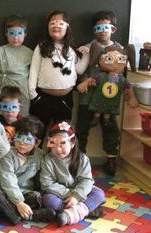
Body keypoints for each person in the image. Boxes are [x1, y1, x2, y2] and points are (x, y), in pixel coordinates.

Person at [76, 11, 129, 175]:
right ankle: (79, 161)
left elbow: (121, 75)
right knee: (82, 128)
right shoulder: (89, 46)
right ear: (94, 30)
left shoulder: (120, 50)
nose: (102, 30)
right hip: (88, 96)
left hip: (108, 98)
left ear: (113, 29)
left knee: (110, 128)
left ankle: (111, 159)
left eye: (106, 27)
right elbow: (79, 70)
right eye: (98, 27)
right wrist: (82, 54)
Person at [28, 10, 89, 130]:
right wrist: (33, 96)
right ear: (47, 28)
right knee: (37, 132)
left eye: (60, 23)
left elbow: (80, 70)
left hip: (65, 100)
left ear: (68, 28)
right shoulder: (41, 47)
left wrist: (87, 54)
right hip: (42, 97)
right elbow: (33, 71)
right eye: (52, 23)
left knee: (61, 132)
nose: (56, 26)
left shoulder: (71, 49)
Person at [0, 117, 56, 225]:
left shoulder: (40, 155)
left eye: (27, 140)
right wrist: (19, 203)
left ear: (37, 142)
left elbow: (49, 174)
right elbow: (8, 180)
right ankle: (29, 216)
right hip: (4, 191)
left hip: (24, 193)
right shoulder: (7, 154)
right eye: (19, 138)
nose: (21, 143)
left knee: (36, 196)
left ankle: (6, 213)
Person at [40, 121, 105, 226]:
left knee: (99, 194)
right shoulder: (47, 159)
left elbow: (86, 180)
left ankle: (68, 215)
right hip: (60, 194)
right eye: (54, 144)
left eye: (62, 144)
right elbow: (47, 183)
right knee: (49, 200)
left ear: (72, 143)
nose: (58, 149)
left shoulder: (82, 159)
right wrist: (70, 195)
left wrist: (76, 196)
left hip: (79, 192)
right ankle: (85, 209)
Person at [0, 15, 33, 116]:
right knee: (2, 117)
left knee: (21, 118)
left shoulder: (30, 53)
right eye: (12, 33)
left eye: (19, 33)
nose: (15, 38)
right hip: (4, 87)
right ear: (6, 33)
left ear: (25, 34)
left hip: (22, 89)